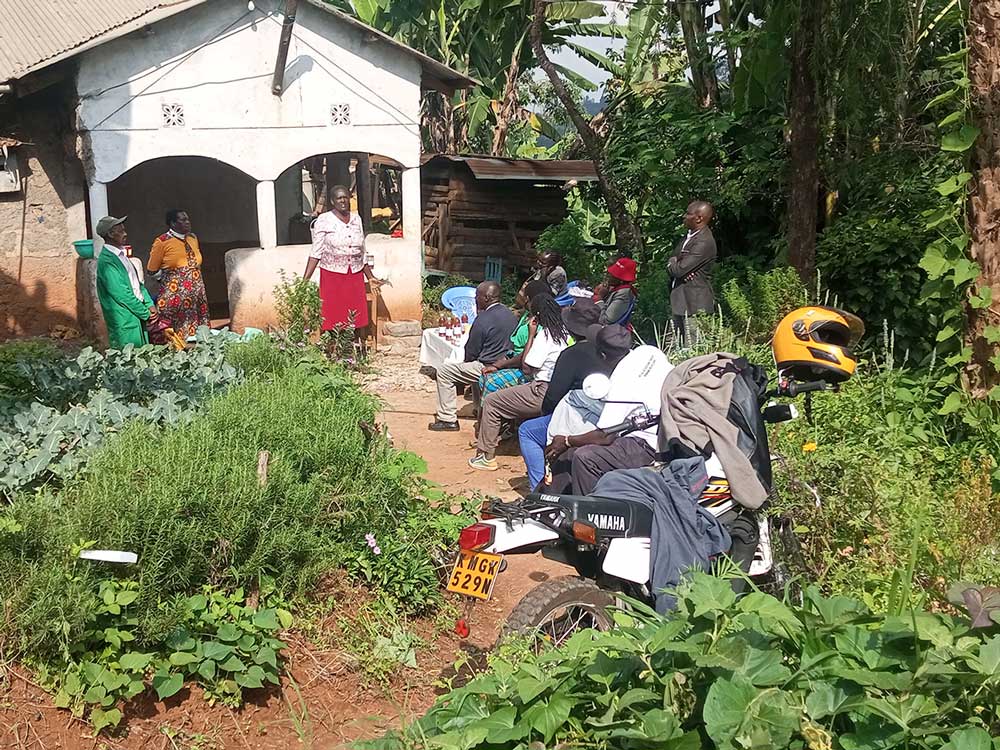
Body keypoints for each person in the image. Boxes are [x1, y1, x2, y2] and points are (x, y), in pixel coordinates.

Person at [546, 344, 673, 495]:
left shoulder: (621, 380)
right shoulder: (648, 352)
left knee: (584, 457)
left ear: (603, 356)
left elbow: (605, 436)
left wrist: (566, 440)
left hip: (648, 445)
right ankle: (548, 500)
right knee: (569, 454)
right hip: (664, 432)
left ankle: (588, 513)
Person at [518, 321, 631, 491]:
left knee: (527, 431)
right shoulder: (635, 366)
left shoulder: (573, 353)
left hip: (591, 423)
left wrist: (549, 416)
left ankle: (539, 490)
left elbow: (553, 396)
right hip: (625, 426)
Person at [469, 293, 571, 471]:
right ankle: (506, 433)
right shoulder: (563, 333)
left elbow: (526, 367)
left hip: (540, 390)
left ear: (537, 317)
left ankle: (486, 456)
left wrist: (531, 335)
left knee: (493, 401)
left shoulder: (545, 336)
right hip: (557, 389)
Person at [429, 281, 517, 432]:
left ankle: (447, 418)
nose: (475, 299)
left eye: (477, 296)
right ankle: (477, 408)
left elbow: (471, 351)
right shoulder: (510, 314)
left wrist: (465, 365)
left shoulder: (483, 319)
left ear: (486, 298)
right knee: (473, 369)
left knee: (444, 371)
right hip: (508, 364)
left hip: (488, 366)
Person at [302, 185, 383, 342]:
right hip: (332, 275)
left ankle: (351, 346)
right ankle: (334, 348)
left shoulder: (356, 219)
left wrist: (370, 276)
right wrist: (304, 281)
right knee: (333, 313)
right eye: (339, 198)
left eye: (346, 197)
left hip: (354, 274)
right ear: (333, 201)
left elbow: (361, 251)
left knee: (354, 313)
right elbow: (316, 252)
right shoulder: (324, 220)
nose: (344, 201)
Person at [475, 280, 552, 405]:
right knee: (484, 376)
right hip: (512, 360)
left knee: (491, 381)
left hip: (527, 369)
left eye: (525, 297)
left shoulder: (538, 324)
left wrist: (500, 365)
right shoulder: (526, 315)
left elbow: (526, 357)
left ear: (529, 299)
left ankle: (491, 417)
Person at [95, 216, 158, 349]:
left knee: (142, 354)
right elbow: (122, 294)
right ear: (111, 234)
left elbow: (138, 285)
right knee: (127, 358)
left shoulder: (122, 257)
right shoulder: (106, 261)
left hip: (136, 313)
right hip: (124, 316)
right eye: (121, 231)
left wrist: (149, 304)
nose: (125, 234)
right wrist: (145, 312)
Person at [146, 209, 210, 338]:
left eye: (188, 219)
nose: (188, 222)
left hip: (196, 292)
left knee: (198, 327)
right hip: (175, 294)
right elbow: (151, 270)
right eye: (183, 220)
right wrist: (169, 279)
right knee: (176, 330)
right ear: (173, 223)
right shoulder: (162, 242)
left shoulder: (192, 238)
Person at [668, 201, 717, 346]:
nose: (684, 216)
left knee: (693, 350)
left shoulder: (704, 241)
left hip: (694, 304)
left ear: (699, 218)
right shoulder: (689, 237)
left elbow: (678, 270)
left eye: (688, 213)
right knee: (676, 347)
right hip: (681, 300)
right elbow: (675, 261)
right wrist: (675, 262)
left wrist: (675, 263)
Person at [592, 256, 638, 326]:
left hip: (605, 330)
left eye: (612, 275)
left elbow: (605, 321)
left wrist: (599, 299)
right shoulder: (616, 288)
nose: (608, 276)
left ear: (621, 280)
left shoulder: (624, 294)